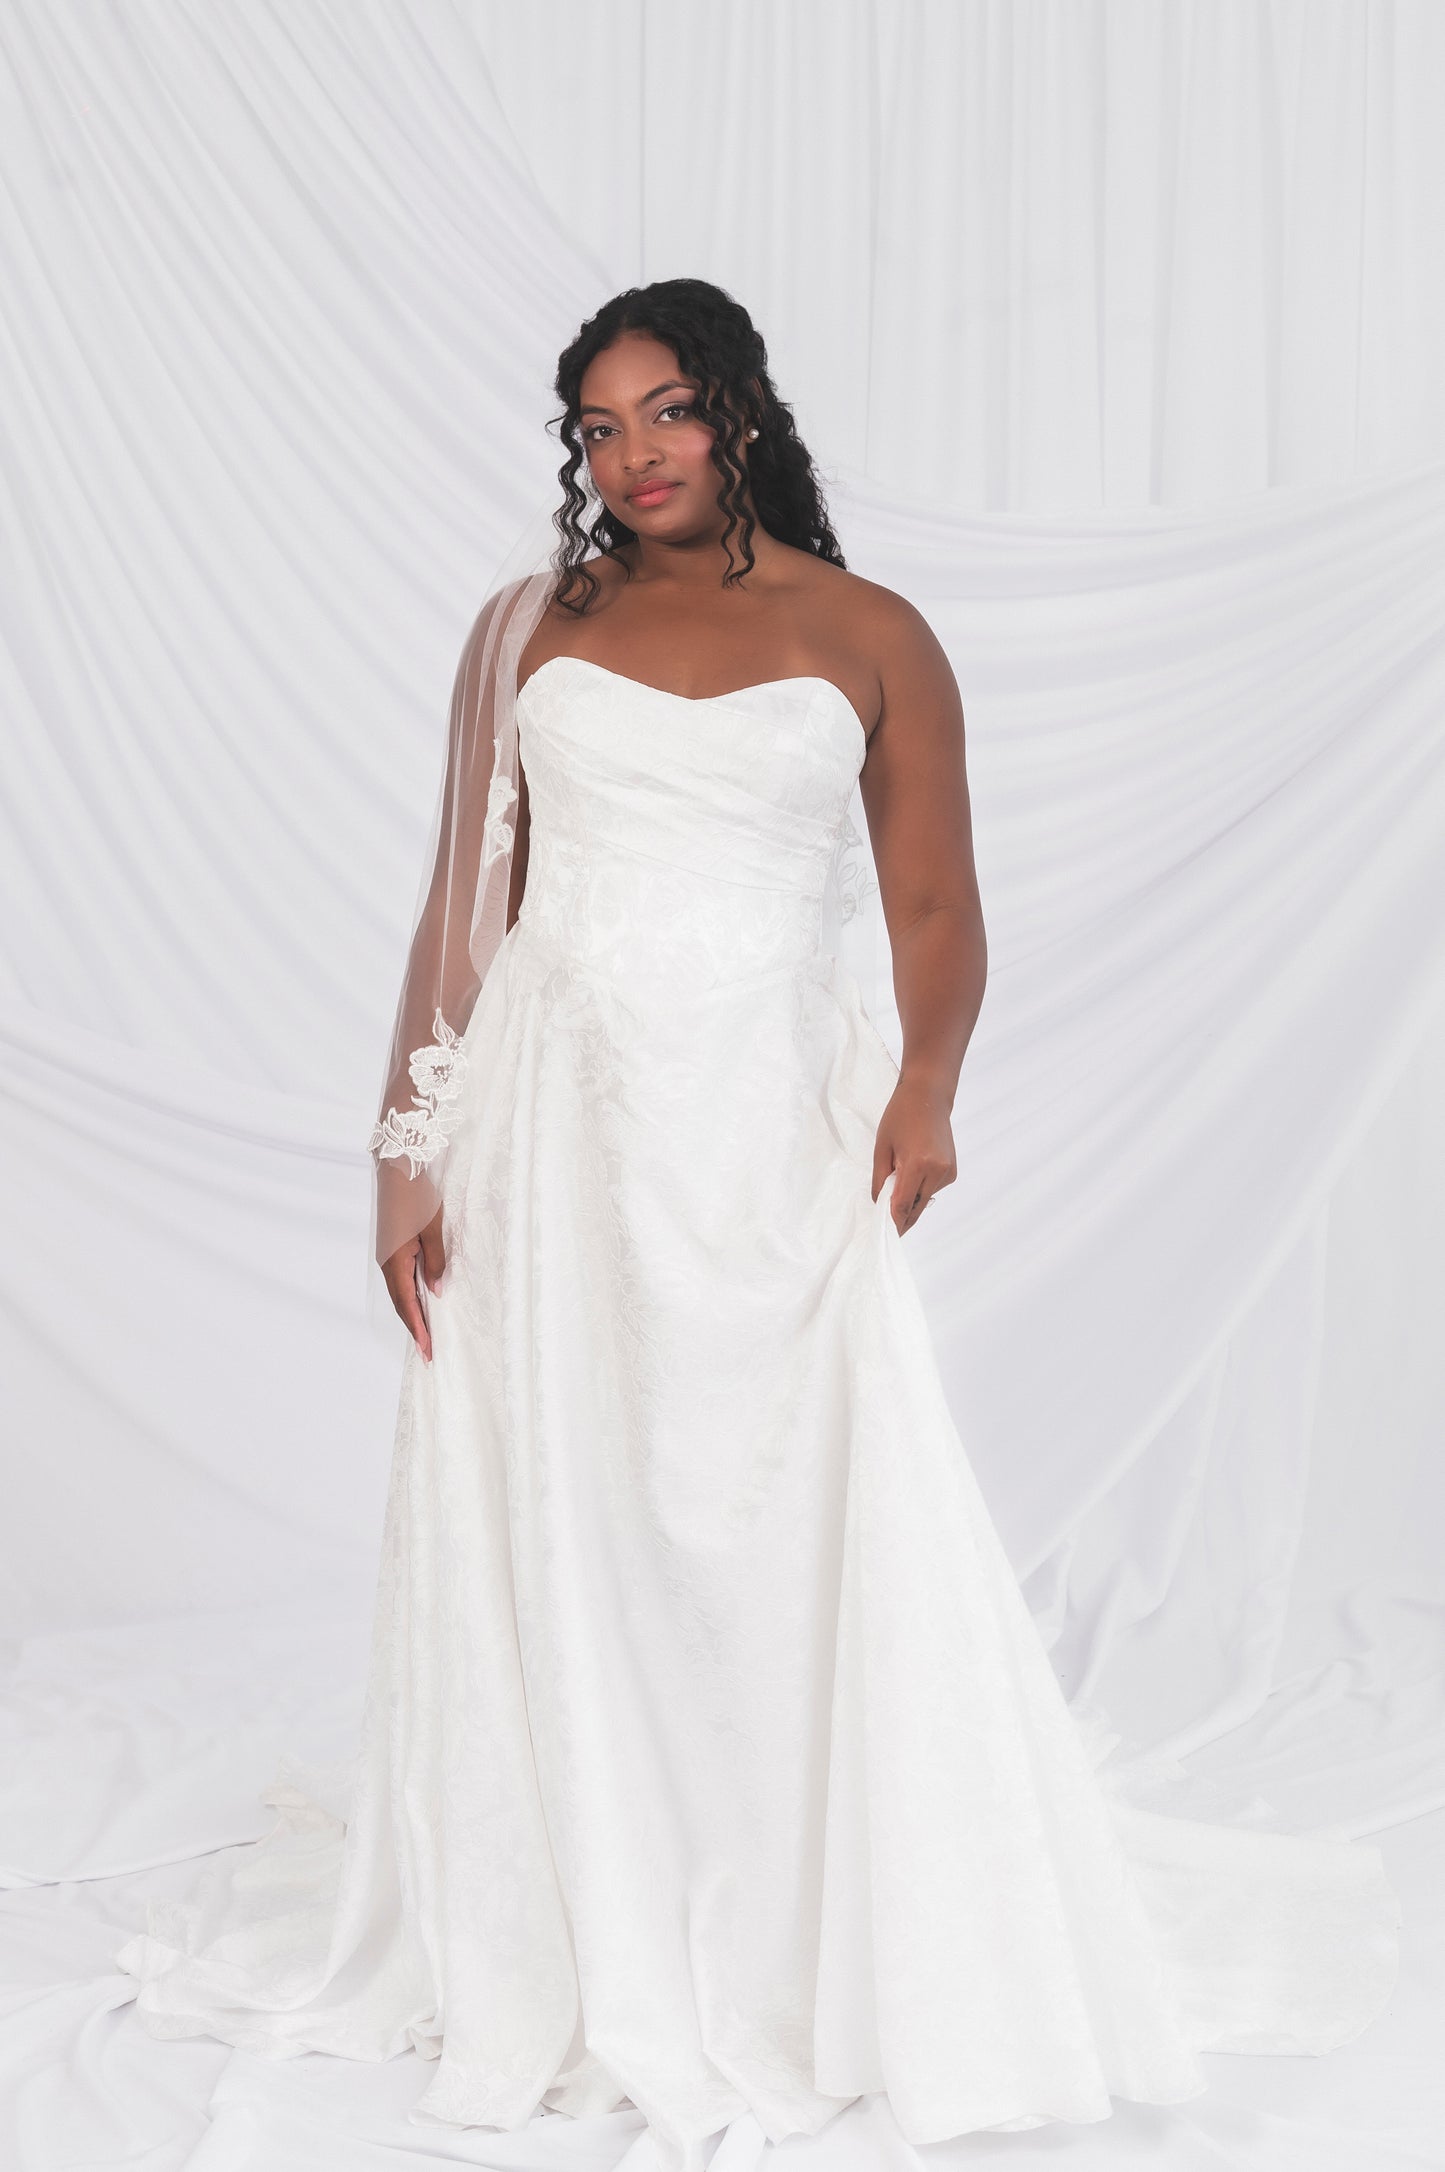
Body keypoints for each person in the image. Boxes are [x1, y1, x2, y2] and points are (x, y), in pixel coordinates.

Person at [115, 280, 1399, 2172]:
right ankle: (573, 1903)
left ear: (737, 410)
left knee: (779, 1512)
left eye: (666, 413)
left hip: (760, 1132)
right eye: (598, 428)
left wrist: (926, 1090)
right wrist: (408, 1146)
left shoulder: (867, 631)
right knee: (566, 1501)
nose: (632, 457)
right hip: (549, 1126)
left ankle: (802, 1910)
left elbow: (939, 909)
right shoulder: (529, 629)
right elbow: (460, 904)